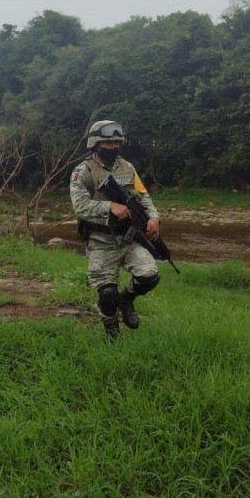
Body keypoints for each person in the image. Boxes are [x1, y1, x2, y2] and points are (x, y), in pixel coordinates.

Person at [70, 120, 161, 339]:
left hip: (129, 239)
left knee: (149, 275)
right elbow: (80, 206)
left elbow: (143, 195)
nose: (114, 147)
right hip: (101, 242)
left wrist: (154, 217)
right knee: (107, 294)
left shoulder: (127, 167)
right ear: (96, 144)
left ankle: (126, 301)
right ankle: (112, 334)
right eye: (108, 143)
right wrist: (109, 206)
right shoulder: (83, 172)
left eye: (117, 143)